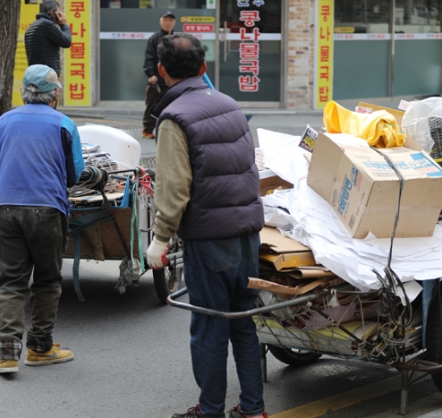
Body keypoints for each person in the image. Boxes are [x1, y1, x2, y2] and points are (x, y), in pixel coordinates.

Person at [145, 33, 267, 418]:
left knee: (210, 327)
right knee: (243, 323)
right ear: (203, 68)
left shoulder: (173, 119)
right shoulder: (230, 105)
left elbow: (174, 187)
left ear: (162, 72)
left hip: (210, 239)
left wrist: (160, 237)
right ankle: (253, 409)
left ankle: (210, 410)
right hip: (248, 232)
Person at [0, 64, 85, 374]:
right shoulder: (63, 124)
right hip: (46, 209)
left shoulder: (3, 121)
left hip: (5, 208)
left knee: (11, 282)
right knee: (46, 279)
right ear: (54, 94)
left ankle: (7, 354)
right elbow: (75, 175)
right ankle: (40, 348)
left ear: (24, 92)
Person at [141, 9, 176, 139]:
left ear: (174, 23)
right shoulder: (154, 39)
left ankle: (168, 131)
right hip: (156, 80)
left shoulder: (176, 38)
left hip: (172, 80)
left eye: (170, 20)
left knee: (172, 107)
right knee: (152, 106)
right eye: (165, 20)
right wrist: (150, 74)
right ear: (160, 22)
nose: (168, 23)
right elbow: (149, 58)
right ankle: (147, 130)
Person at [24, 0, 71, 76]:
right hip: (47, 75)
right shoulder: (47, 25)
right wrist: (63, 25)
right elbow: (66, 41)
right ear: (52, 13)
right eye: (58, 12)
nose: (60, 15)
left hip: (34, 74)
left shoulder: (32, 26)